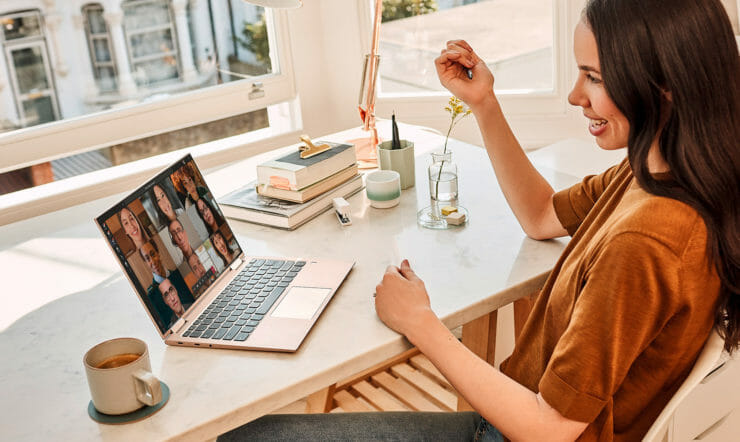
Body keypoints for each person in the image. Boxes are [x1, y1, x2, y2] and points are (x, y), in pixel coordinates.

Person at [219, 0, 739, 440]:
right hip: (513, 413)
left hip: (508, 431)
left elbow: (549, 430)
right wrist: (483, 103)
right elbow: (541, 215)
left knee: (253, 434)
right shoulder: (660, 175)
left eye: (594, 77)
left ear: (665, 85)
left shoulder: (647, 239)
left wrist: (420, 322)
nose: (575, 96)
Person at [139, 240, 195, 327]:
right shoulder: (152, 297)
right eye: (147, 259)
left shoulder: (179, 275)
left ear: (158, 253)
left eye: (153, 254)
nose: (152, 262)